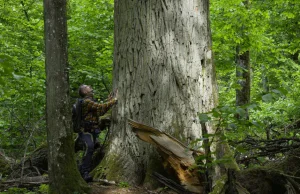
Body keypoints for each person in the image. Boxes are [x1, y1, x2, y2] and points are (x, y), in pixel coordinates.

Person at [77, 84, 117, 182]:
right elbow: (100, 107)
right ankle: (84, 173)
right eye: (88, 87)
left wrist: (109, 101)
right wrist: (115, 100)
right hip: (86, 132)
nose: (90, 87)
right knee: (90, 147)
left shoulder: (90, 102)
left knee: (92, 148)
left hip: (92, 131)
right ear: (85, 92)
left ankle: (83, 170)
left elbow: (101, 112)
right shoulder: (87, 102)